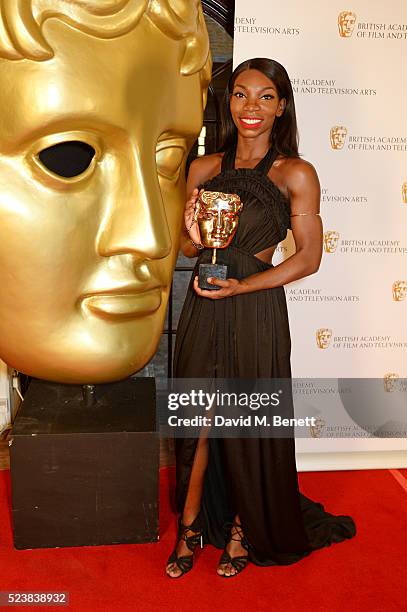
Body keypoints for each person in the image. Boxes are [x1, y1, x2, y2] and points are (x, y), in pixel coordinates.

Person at [165, 57, 356, 578]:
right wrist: (191, 231)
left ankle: (244, 528)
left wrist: (244, 284)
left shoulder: (295, 171)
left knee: (246, 422)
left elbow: (308, 257)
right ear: (228, 103)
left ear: (282, 106)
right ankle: (190, 527)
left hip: (255, 308)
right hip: (205, 301)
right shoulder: (204, 168)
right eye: (241, 95)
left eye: (265, 96)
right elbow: (186, 249)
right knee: (199, 422)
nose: (252, 107)